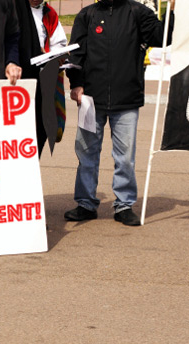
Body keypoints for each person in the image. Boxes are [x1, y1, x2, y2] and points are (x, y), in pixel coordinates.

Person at [64, 0, 174, 226]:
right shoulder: (86, 15)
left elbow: (163, 37)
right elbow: (76, 54)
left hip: (127, 99)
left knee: (125, 158)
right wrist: (76, 83)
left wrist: (172, 10)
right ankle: (85, 203)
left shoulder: (138, 12)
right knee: (86, 154)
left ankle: (124, 205)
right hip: (90, 99)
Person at [16, 0, 67, 156]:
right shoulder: (14, 9)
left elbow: (59, 44)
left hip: (42, 81)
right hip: (16, 78)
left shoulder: (49, 13)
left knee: (39, 131)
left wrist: (57, 55)